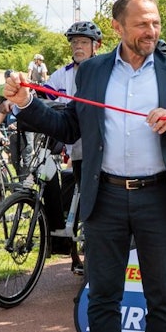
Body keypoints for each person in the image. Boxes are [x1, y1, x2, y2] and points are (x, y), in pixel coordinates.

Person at [3, 0, 166, 332]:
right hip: (106, 196)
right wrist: (25, 104)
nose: (151, 31)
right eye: (142, 24)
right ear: (118, 27)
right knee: (104, 298)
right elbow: (68, 125)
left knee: (163, 298)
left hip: (158, 199)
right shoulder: (92, 72)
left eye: (155, 23)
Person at [41, 20, 105, 254]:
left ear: (95, 46)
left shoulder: (104, 70)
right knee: (71, 185)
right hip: (75, 145)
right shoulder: (62, 75)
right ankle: (61, 241)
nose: (78, 47)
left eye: (84, 42)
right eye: (75, 42)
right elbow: (44, 95)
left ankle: (95, 242)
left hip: (101, 145)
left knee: (96, 196)